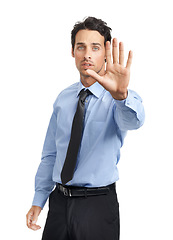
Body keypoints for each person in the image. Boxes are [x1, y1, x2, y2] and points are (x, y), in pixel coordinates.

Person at [26, 16, 145, 240]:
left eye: (95, 47)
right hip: (59, 203)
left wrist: (121, 96)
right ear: (73, 52)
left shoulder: (119, 97)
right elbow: (51, 154)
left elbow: (134, 121)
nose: (87, 54)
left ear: (106, 53)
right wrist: (38, 199)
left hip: (97, 205)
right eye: (81, 47)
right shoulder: (64, 98)